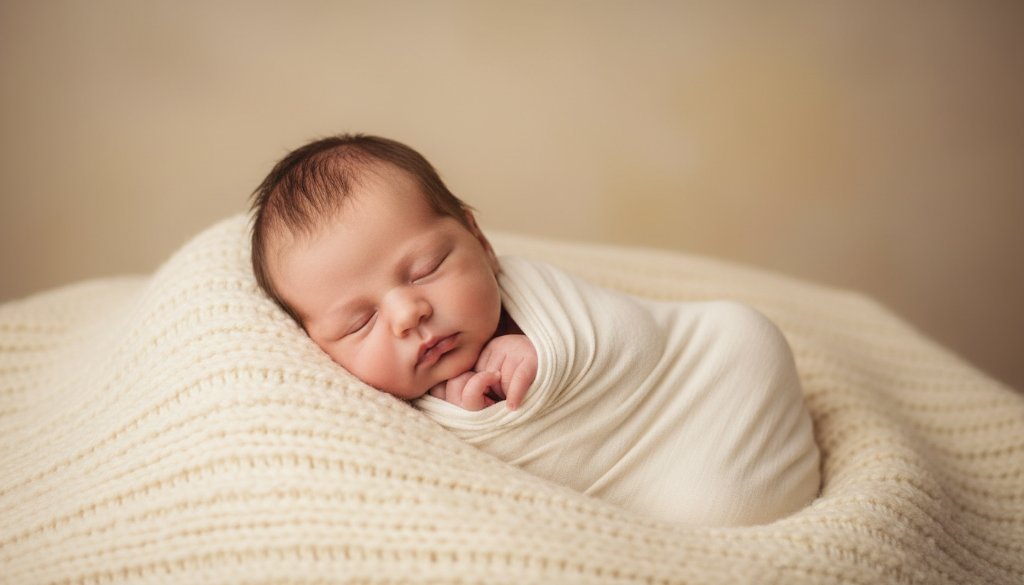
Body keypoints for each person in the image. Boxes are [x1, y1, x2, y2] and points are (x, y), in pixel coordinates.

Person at [250, 133, 821, 526]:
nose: (407, 314)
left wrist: (542, 352)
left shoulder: (533, 296)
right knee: (703, 511)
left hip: (705, 384)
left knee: (746, 333)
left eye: (425, 268)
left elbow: (634, 339)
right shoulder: (380, 423)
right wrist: (473, 418)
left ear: (479, 239)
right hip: (653, 497)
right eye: (361, 321)